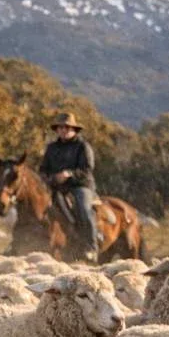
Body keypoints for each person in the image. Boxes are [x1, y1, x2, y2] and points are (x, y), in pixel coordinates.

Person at [38, 112, 100, 261]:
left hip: (80, 185)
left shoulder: (82, 146)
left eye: (66, 127)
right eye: (60, 127)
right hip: (56, 187)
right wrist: (51, 178)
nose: (63, 130)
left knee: (84, 209)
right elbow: (43, 169)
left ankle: (91, 247)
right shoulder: (51, 148)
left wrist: (69, 174)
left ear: (74, 129)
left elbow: (87, 169)